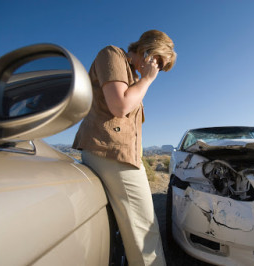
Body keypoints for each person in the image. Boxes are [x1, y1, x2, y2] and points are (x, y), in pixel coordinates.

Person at [72, 30, 176, 265]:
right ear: (148, 51)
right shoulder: (112, 55)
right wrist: (147, 79)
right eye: (157, 61)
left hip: (118, 154)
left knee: (133, 229)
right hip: (111, 152)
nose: (156, 69)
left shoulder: (130, 73)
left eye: (160, 66)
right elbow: (120, 106)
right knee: (145, 230)